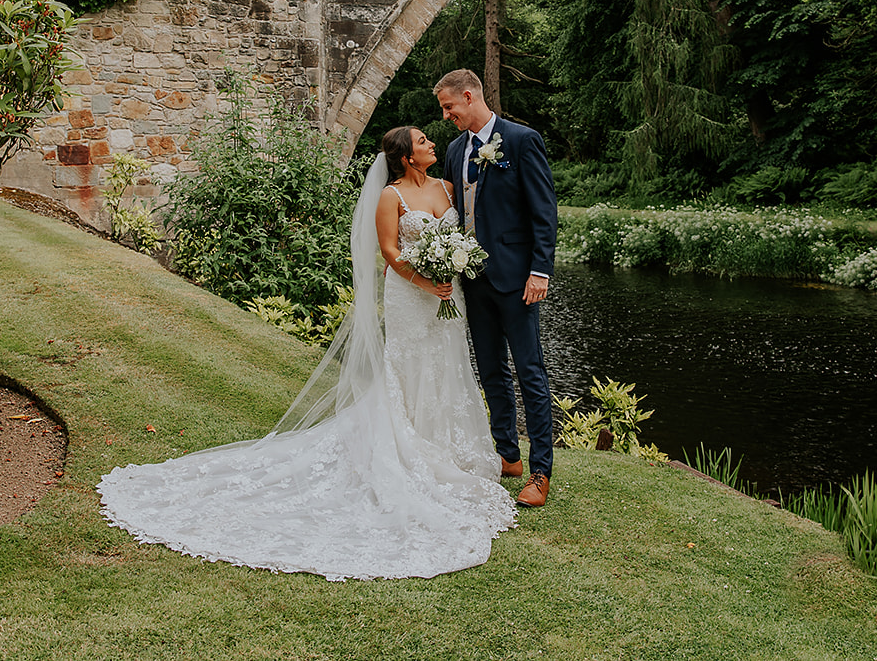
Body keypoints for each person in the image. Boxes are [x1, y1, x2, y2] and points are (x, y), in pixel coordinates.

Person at [97, 126, 514, 581]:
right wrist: (424, 282)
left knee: (447, 364)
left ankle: (449, 447)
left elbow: (464, 233)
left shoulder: (448, 187)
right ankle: (406, 443)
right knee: (409, 365)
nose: (431, 143)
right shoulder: (390, 197)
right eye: (422, 141)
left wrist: (451, 270)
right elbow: (390, 251)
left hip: (448, 295)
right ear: (406, 156)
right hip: (412, 297)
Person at [437, 68, 559, 508]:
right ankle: (508, 454)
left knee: (530, 372)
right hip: (473, 280)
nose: (446, 115)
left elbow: (544, 210)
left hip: (516, 278)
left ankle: (540, 471)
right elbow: (452, 210)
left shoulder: (522, 140)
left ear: (469, 96)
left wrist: (540, 271)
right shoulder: (455, 150)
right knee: (490, 370)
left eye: (449, 107)